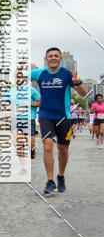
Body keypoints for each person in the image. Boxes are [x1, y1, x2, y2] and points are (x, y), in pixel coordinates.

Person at [31, 48, 88, 195]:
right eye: (50, 56)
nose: (53, 58)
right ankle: (50, 181)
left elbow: (83, 93)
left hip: (64, 116)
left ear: (60, 58)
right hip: (45, 115)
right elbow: (18, 77)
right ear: (46, 58)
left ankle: (60, 175)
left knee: (63, 149)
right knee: (47, 145)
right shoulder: (39, 73)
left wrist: (79, 82)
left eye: (56, 56)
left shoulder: (66, 74)